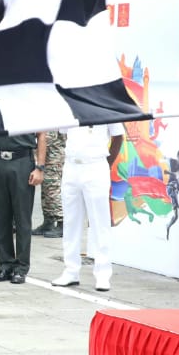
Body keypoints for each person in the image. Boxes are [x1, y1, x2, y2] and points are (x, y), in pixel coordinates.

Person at [50, 123, 125, 292]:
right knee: (71, 222)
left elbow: (118, 136)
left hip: (95, 165)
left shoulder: (105, 104)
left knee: (100, 223)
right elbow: (63, 131)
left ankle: (103, 273)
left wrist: (107, 162)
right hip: (72, 166)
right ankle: (71, 271)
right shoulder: (71, 103)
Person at [0, 131, 47, 284]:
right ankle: (5, 264)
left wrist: (40, 167)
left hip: (22, 160)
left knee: (22, 217)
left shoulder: (31, 106)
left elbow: (42, 134)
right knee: (0, 216)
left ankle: (21, 267)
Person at [32, 132, 65, 238]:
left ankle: (62, 223)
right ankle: (48, 221)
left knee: (52, 189)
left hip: (53, 156)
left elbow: (49, 138)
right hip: (45, 155)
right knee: (45, 189)